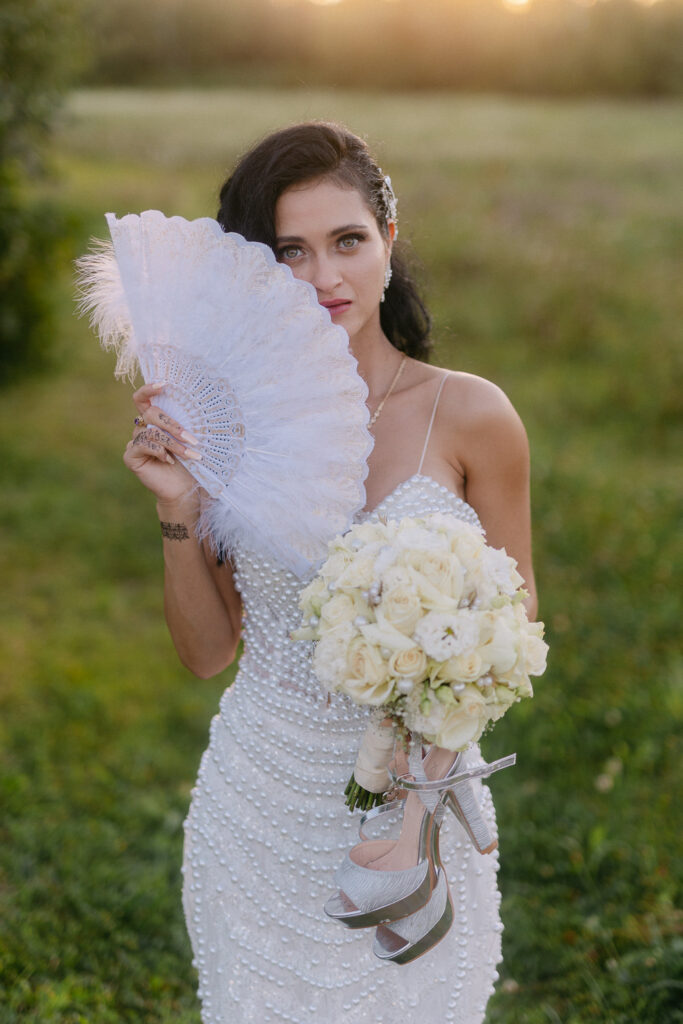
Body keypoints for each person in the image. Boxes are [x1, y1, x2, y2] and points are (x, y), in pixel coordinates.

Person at [124, 122, 537, 1023]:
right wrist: (176, 506)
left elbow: (516, 620)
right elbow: (204, 654)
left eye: (346, 241)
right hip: (261, 799)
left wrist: (417, 793)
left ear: (388, 241)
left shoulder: (471, 416)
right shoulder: (226, 432)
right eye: (290, 252)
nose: (323, 278)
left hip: (416, 807)